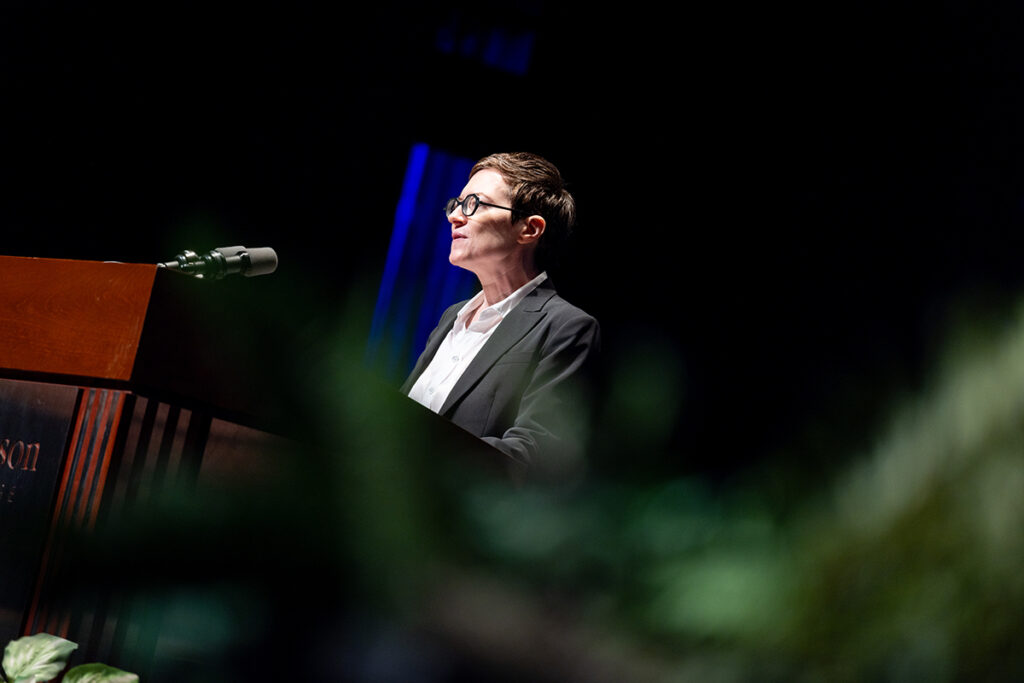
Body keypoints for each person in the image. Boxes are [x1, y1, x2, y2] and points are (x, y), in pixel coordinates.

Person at [401, 152, 600, 477]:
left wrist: (423, 459)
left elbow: (536, 455)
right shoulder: (452, 317)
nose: (455, 216)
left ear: (529, 229)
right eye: (456, 203)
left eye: (474, 204)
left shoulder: (565, 328)